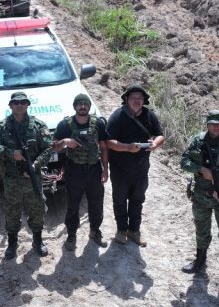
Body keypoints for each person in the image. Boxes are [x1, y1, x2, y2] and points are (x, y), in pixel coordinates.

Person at [180, 110, 219, 292]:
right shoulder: (198, 141)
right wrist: (201, 170)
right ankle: (200, 260)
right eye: (213, 124)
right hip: (201, 195)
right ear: (207, 124)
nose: (216, 127)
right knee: (201, 229)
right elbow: (184, 161)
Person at [0, 91, 54, 259]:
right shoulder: (1, 126)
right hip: (11, 178)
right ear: (10, 106)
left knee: (37, 209)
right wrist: (11, 153)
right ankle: (12, 243)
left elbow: (48, 148)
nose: (19, 105)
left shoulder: (38, 126)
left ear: (28, 105)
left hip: (32, 177)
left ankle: (38, 240)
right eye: (16, 103)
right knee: (12, 211)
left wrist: (35, 164)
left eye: (23, 102)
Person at [105, 85, 165, 247]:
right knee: (119, 200)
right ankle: (121, 230)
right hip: (120, 169)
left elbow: (160, 135)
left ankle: (134, 230)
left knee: (137, 200)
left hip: (141, 168)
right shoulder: (117, 116)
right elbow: (108, 142)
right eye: (133, 98)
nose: (137, 101)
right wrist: (127, 147)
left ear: (144, 100)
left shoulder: (149, 115)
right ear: (126, 99)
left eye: (140, 98)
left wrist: (155, 144)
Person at [52, 93, 110, 251]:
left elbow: (104, 147)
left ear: (89, 106)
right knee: (73, 203)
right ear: (75, 106)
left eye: (85, 104)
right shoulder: (65, 125)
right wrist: (65, 142)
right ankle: (71, 234)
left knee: (96, 202)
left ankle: (95, 231)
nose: (83, 106)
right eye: (79, 104)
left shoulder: (98, 123)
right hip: (74, 169)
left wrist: (105, 169)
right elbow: (53, 147)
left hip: (94, 168)